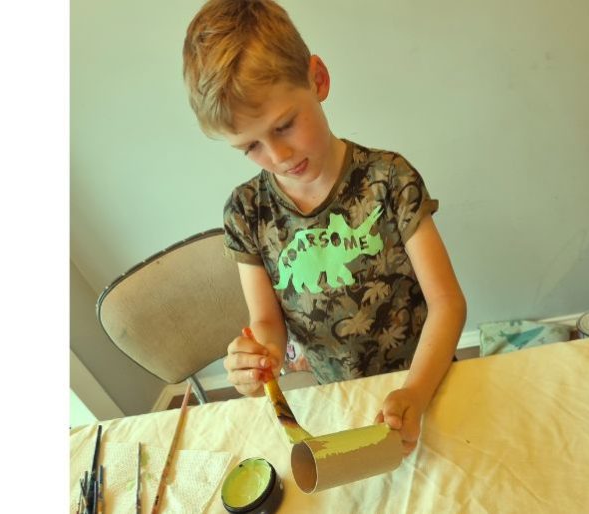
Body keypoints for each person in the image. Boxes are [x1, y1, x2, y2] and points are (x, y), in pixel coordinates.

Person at [182, 0, 466, 455]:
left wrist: (415, 391)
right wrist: (259, 360)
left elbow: (447, 303)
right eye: (250, 147)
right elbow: (267, 323)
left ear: (318, 79)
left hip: (426, 381)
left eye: (285, 125)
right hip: (340, 399)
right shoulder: (246, 212)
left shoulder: (390, 179)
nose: (278, 157)